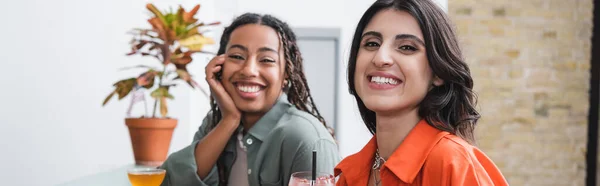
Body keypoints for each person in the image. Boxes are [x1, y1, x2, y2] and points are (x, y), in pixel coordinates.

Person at [334, 0, 509, 185]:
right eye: (371, 43)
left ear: (438, 73)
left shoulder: (453, 163)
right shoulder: (351, 174)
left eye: (407, 47)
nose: (380, 58)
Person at [159, 13, 340, 186]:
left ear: (286, 74)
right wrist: (229, 120)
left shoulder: (305, 138)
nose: (249, 70)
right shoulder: (215, 123)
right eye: (237, 56)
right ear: (219, 65)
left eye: (267, 59)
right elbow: (166, 182)